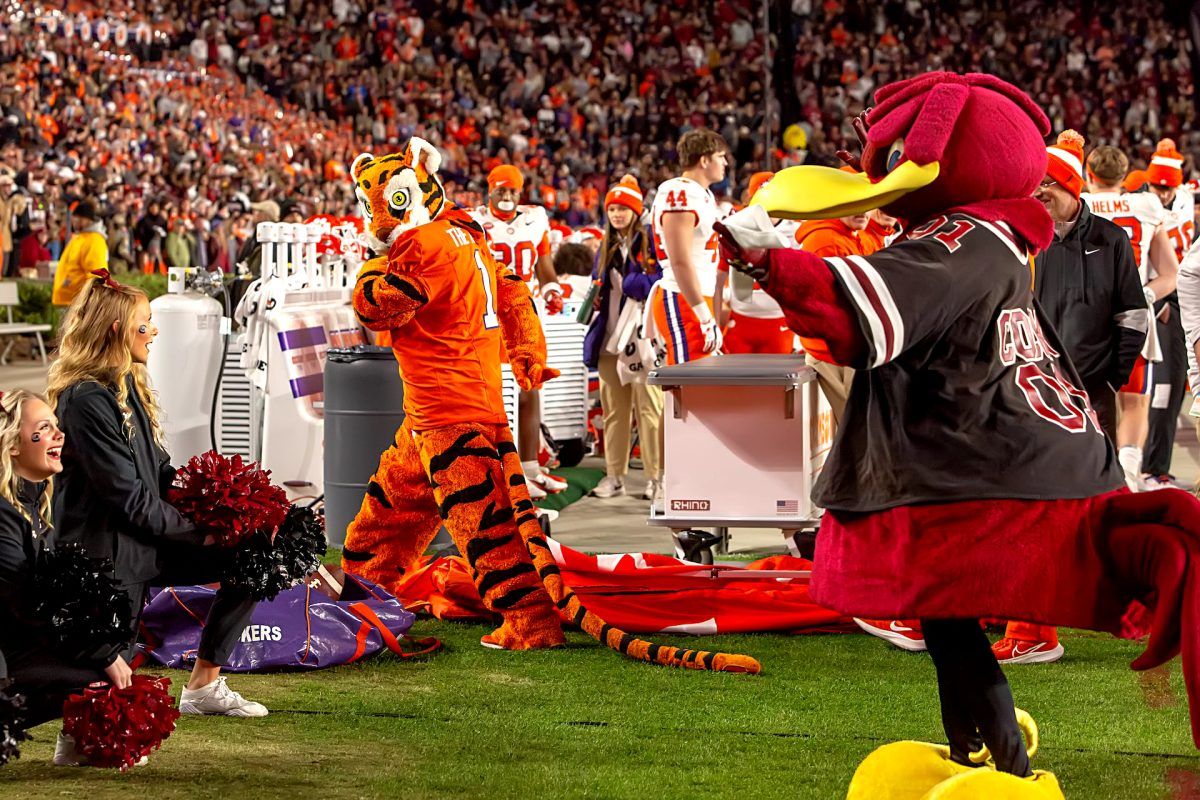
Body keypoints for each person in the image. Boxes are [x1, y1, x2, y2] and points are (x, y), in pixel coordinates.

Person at [46, 272, 267, 717]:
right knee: (102, 696)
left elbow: (160, 473)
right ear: (117, 330)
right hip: (107, 557)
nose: (155, 331)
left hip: (144, 541)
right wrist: (199, 534)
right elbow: (129, 500)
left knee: (256, 549)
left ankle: (203, 687)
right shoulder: (85, 400)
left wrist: (225, 508)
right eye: (145, 323)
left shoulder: (125, 385)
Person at [0, 389, 143, 766]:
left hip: (18, 649)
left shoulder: (32, 505)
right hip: (7, 658)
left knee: (114, 663)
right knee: (99, 675)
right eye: (44, 428)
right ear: (13, 444)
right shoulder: (3, 515)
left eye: (56, 425)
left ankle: (78, 741)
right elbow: (29, 603)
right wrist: (102, 653)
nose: (59, 434)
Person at [1081, 145, 1179, 490]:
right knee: (1134, 402)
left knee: (1081, 398)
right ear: (1124, 177)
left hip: (1082, 314)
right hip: (1132, 316)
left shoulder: (1078, 204)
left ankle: (1090, 478)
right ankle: (1130, 481)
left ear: (1088, 174)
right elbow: (1170, 274)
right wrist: (1144, 296)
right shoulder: (1146, 205)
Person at [470, 165, 566, 500]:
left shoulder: (535, 218)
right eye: (501, 189)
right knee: (496, 390)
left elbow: (543, 261)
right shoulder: (473, 220)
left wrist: (552, 288)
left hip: (525, 308)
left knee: (531, 384)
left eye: (512, 190)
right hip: (491, 312)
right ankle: (501, 470)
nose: (506, 196)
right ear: (489, 190)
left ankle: (530, 466)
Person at [583, 176, 664, 501]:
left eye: (623, 208)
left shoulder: (651, 240)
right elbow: (597, 282)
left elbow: (664, 277)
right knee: (614, 412)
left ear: (636, 210)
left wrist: (639, 283)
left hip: (643, 338)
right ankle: (614, 476)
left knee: (650, 410)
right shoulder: (606, 245)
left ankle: (657, 478)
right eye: (612, 209)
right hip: (609, 338)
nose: (617, 214)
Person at [646, 129, 729, 366]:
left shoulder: (702, 194)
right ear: (704, 160)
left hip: (695, 296)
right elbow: (680, 260)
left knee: (702, 381)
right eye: (720, 156)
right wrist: (704, 316)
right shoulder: (680, 192)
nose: (725, 163)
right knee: (689, 381)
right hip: (683, 297)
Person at [1141, 139, 1194, 489]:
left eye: (1167, 187)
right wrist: (1156, 304)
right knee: (1159, 387)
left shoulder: (1186, 196)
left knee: (1176, 388)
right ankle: (1151, 468)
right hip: (1159, 300)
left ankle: (1157, 465)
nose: (1161, 193)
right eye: (1156, 186)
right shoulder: (1140, 201)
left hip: (1186, 300)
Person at [714, 172, 796, 356]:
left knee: (777, 376)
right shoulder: (734, 226)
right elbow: (718, 281)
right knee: (735, 375)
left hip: (780, 321)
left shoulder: (796, 229)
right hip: (741, 319)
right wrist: (716, 326)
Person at [51, 200, 107, 307]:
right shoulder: (79, 238)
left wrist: (89, 302)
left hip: (79, 303)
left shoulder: (94, 241)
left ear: (86, 219)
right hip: (69, 300)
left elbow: (97, 275)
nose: (73, 222)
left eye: (76, 218)